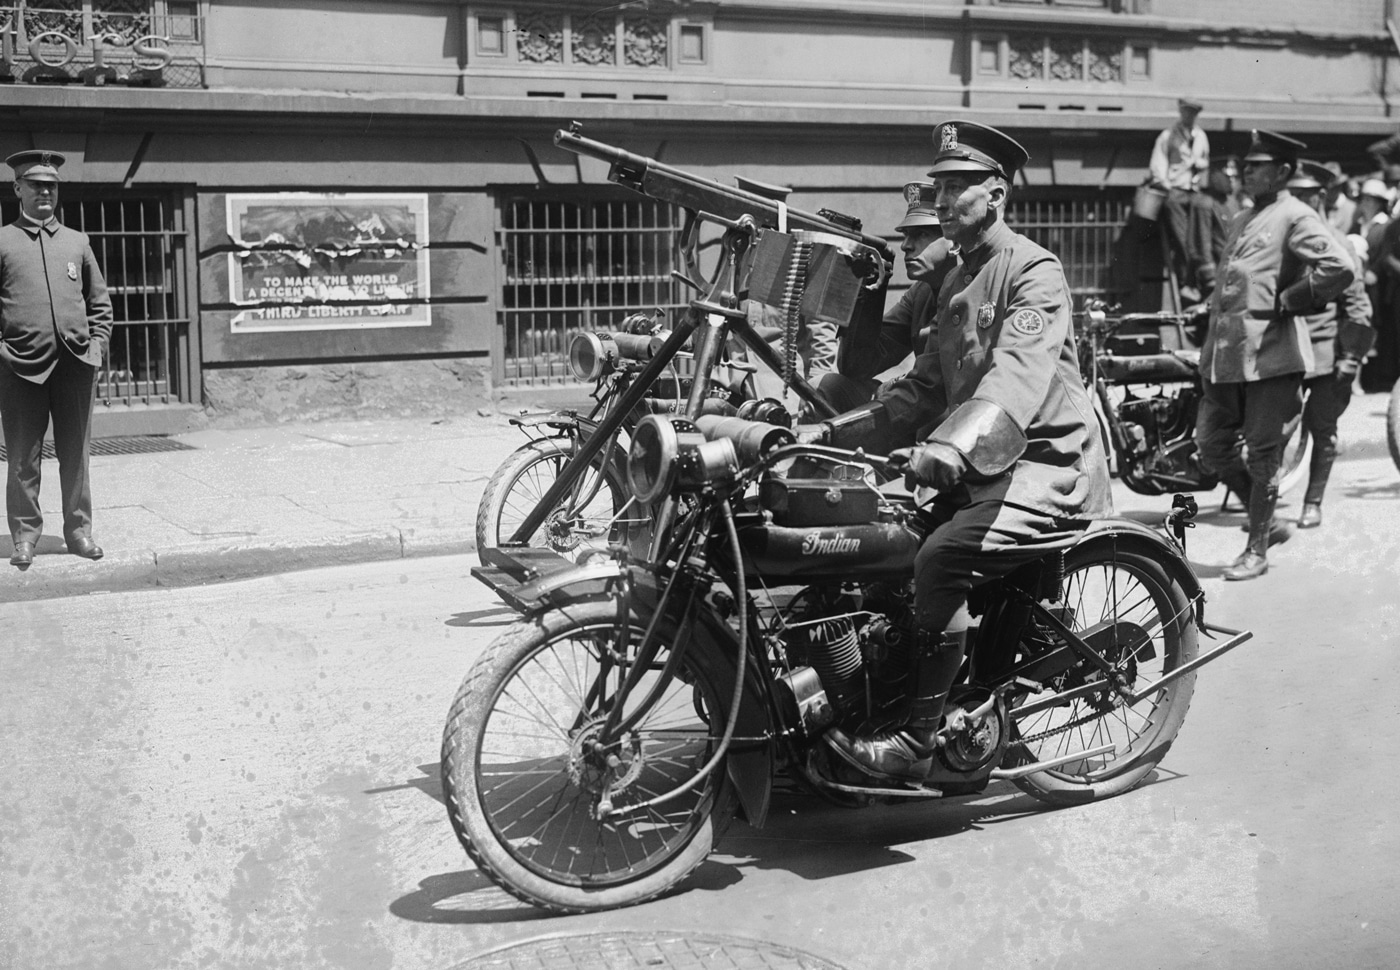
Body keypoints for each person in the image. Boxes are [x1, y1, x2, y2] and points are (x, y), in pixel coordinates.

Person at [801, 120, 1112, 782]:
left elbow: (1014, 378)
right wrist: (829, 435)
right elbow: (918, 391)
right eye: (935, 188)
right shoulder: (954, 280)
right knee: (875, 540)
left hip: (1045, 467)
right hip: (984, 468)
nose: (940, 202)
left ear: (995, 193)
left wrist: (946, 451)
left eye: (955, 188)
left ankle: (915, 738)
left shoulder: (1032, 270)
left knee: (939, 556)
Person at [1195, 131, 1355, 581]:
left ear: (1283, 171)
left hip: (1272, 358)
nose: (1247, 171)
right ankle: (1266, 518)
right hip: (1226, 358)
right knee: (1210, 444)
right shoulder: (1244, 216)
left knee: (1264, 455)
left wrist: (1293, 299)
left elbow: (1339, 267)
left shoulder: (1296, 214)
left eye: (1257, 165)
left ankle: (1256, 550)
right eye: (1246, 165)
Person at [0, 150, 112, 569]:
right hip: (20, 368)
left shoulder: (76, 242)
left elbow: (99, 304)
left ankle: (78, 531)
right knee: (22, 458)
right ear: (18, 189)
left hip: (75, 368)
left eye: (51, 186)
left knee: (75, 455)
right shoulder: (3, 241)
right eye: (35, 185)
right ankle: (25, 537)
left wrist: (95, 348)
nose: (44, 192)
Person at [1284, 160, 1374, 530]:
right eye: (1296, 195)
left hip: (1323, 353)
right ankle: (1266, 505)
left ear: (1321, 197)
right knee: (1273, 431)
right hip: (1285, 352)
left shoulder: (1337, 243)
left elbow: (1357, 306)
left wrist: (1351, 358)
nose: (1300, 203)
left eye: (1307, 196)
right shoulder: (1285, 240)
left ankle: (1313, 502)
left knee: (1322, 428)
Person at [818, 180, 955, 413]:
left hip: (953, 412)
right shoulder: (921, 293)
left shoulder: (974, 286)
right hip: (919, 402)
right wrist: (871, 285)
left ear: (953, 240)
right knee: (828, 387)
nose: (905, 246)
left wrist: (892, 386)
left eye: (920, 234)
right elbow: (856, 367)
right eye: (906, 235)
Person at [1149, 98, 1214, 299]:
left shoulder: (1201, 136)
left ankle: (1201, 282)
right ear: (1180, 112)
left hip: (1194, 192)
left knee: (1198, 239)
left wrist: (1199, 164)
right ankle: (1186, 282)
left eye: (1193, 113)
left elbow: (1206, 159)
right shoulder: (1168, 136)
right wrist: (1167, 185)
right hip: (1176, 192)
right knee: (1182, 239)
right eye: (1186, 112)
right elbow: (1158, 163)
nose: (1189, 116)